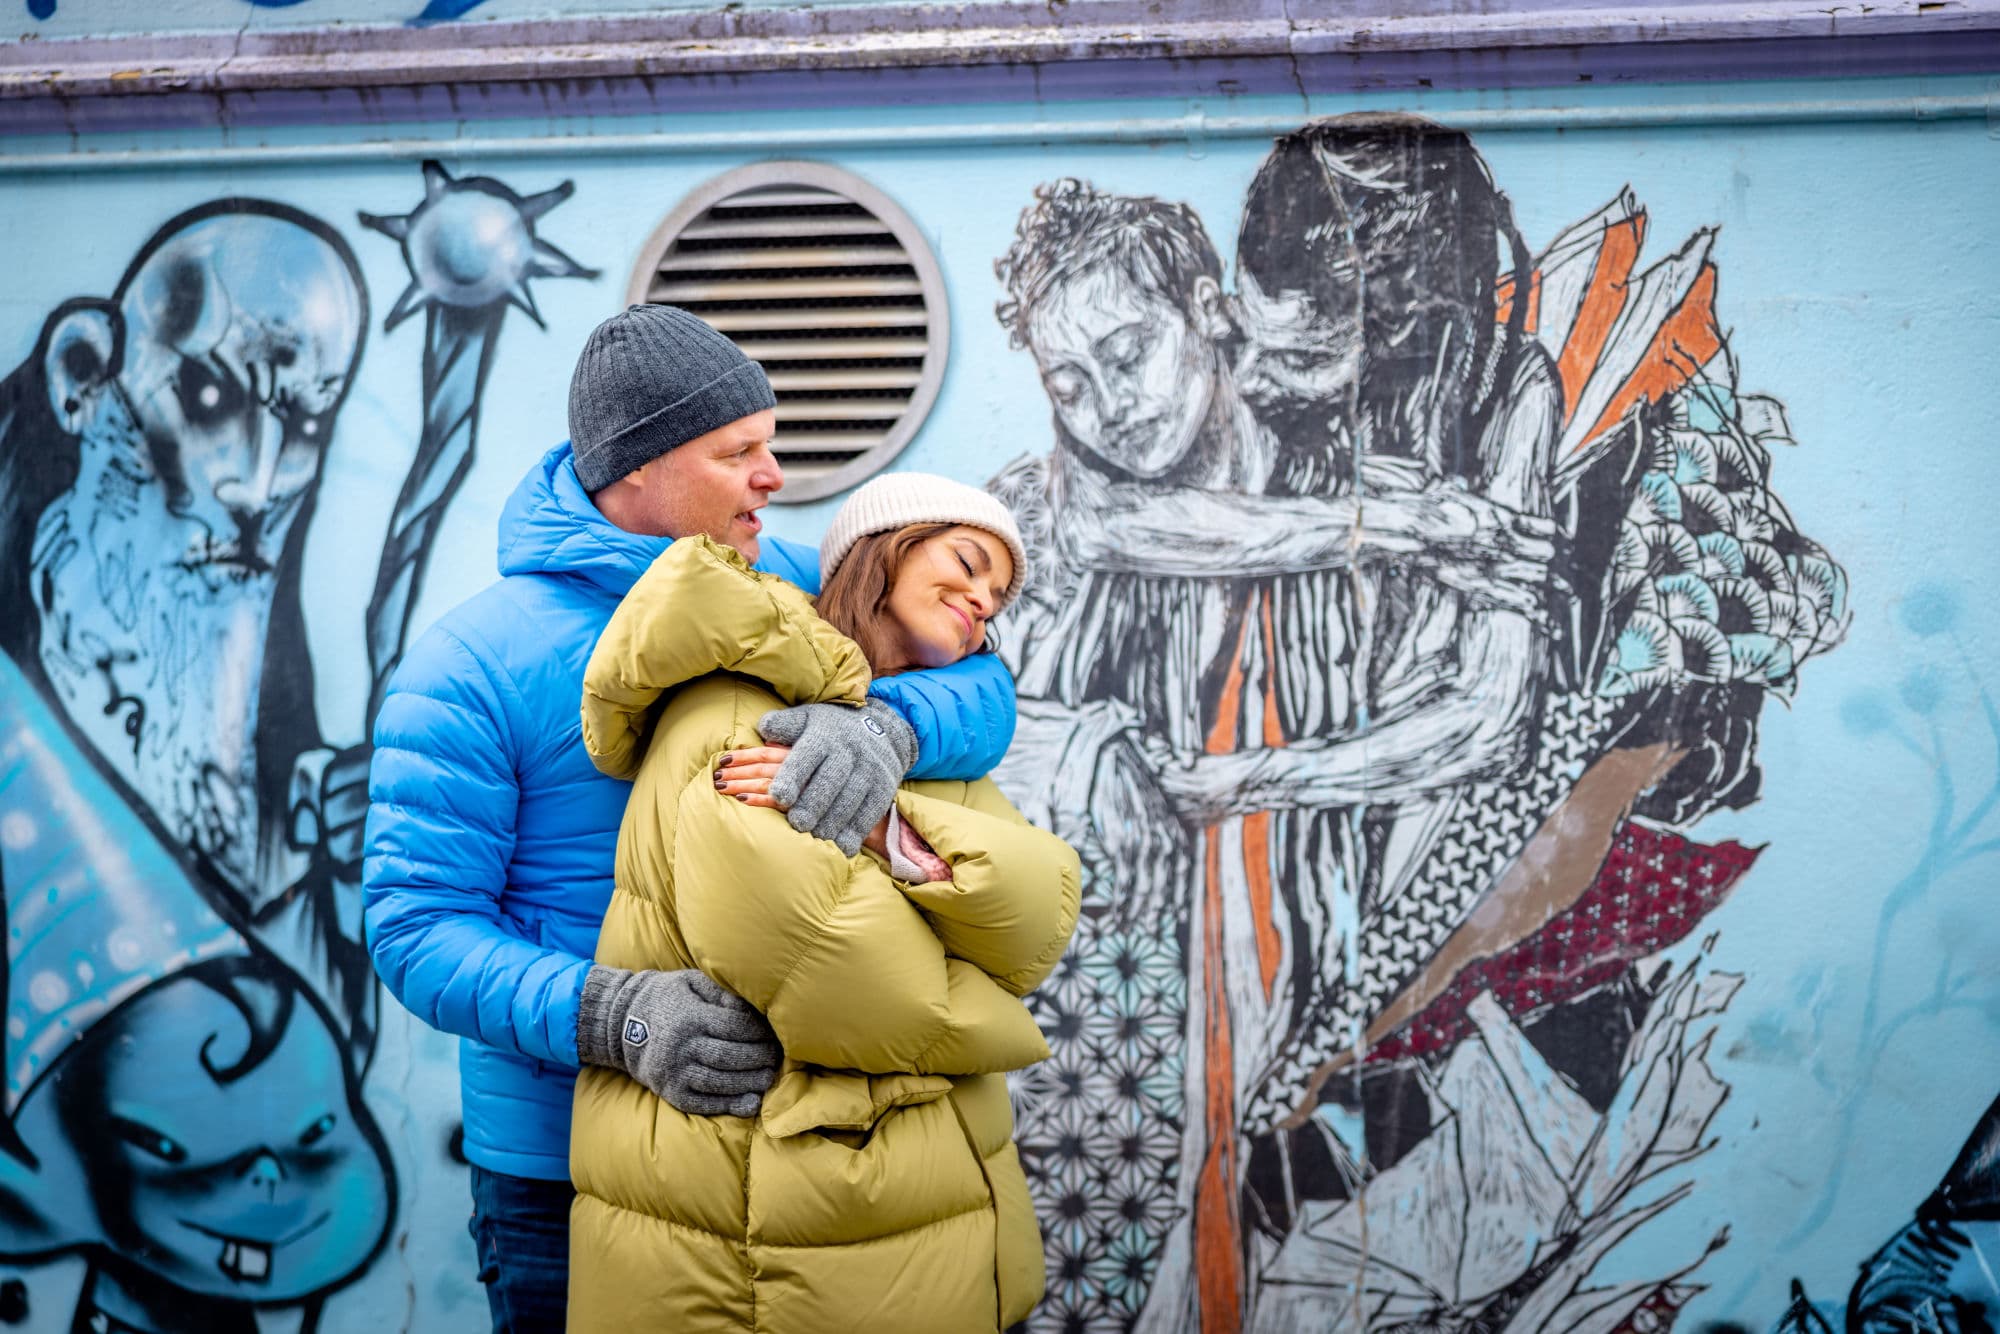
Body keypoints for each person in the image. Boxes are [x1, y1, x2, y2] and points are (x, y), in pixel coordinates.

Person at [361, 307, 1020, 1331]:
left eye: (770, 445)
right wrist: (613, 1015)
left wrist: (890, 727)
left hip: (807, 1153)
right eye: (738, 452)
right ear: (637, 470)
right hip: (562, 1171)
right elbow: (413, 929)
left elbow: (982, 681)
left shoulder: (798, 587)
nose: (774, 477)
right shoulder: (471, 664)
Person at [568, 473, 1080, 1333]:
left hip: (908, 1217)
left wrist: (885, 833)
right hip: (767, 1238)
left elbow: (1040, 913)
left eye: (996, 602)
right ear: (886, 548)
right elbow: (856, 990)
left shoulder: (904, 734)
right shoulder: (743, 711)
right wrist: (958, 931)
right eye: (966, 560)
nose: (982, 600)